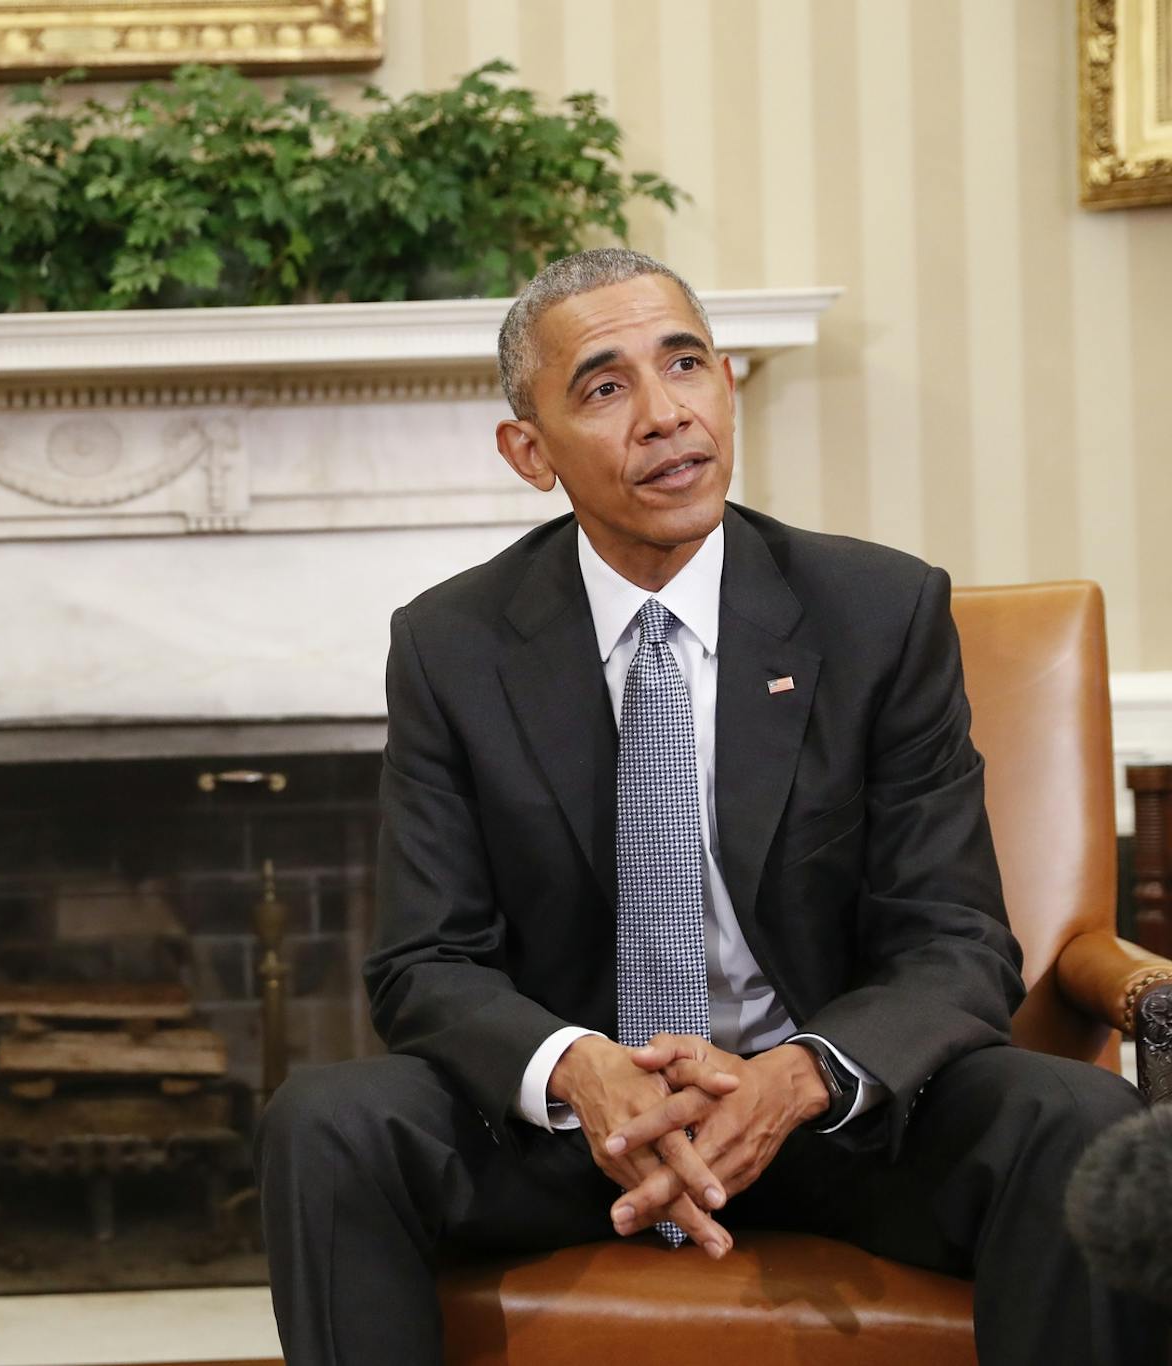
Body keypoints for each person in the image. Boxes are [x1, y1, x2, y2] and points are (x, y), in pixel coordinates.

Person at [256, 246, 1166, 1365]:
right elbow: (423, 959)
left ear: (727, 385)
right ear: (529, 452)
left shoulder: (878, 613)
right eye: (604, 385)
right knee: (327, 1123)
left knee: (1074, 1122)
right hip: (579, 1136)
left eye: (685, 364)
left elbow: (957, 937)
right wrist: (580, 1071)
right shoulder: (453, 646)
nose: (663, 414)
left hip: (831, 1119)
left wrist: (802, 1076)